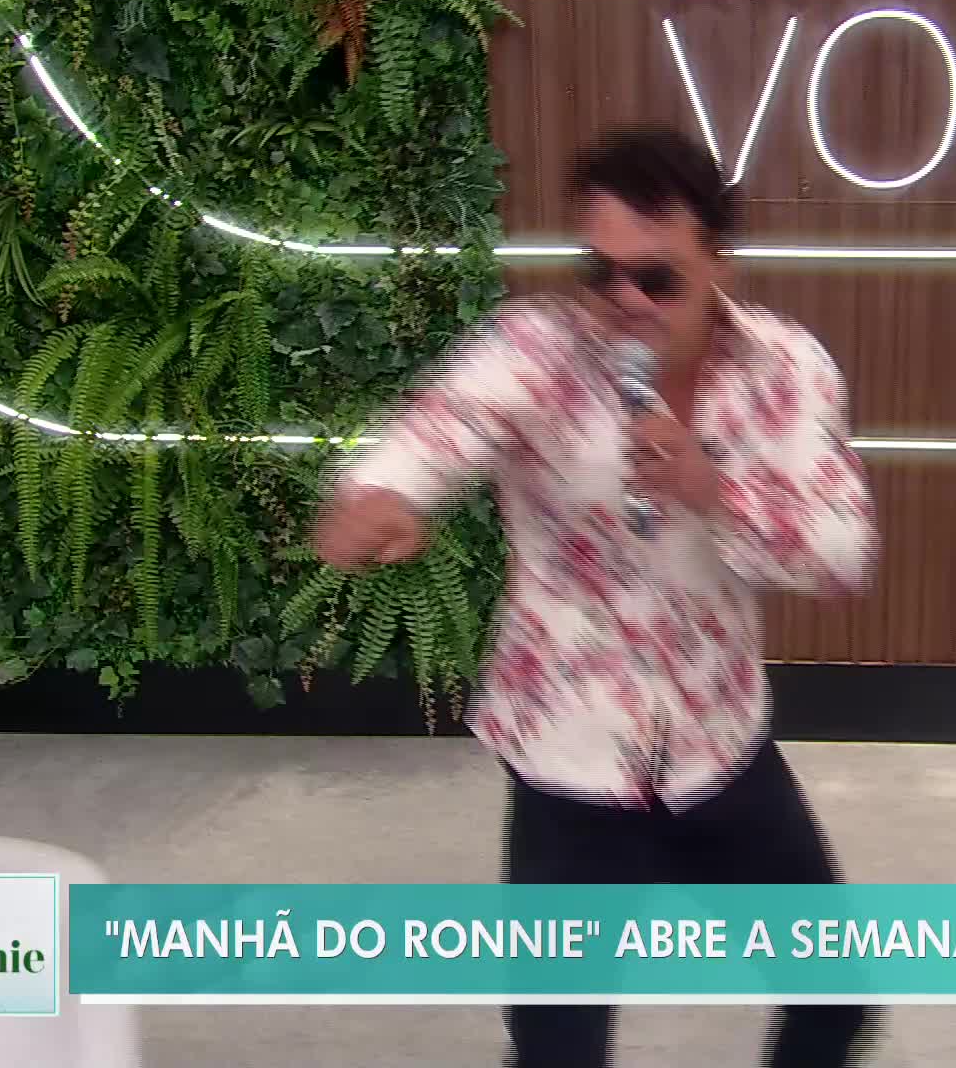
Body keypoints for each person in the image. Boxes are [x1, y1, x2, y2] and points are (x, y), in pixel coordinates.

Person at [313, 124, 880, 1067]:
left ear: (719, 263)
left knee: (834, 1002)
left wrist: (713, 491)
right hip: (567, 761)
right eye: (599, 271)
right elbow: (440, 429)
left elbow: (842, 554)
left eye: (657, 278)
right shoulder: (535, 350)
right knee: (557, 1054)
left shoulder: (788, 371)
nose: (624, 300)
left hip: (717, 746)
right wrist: (381, 496)